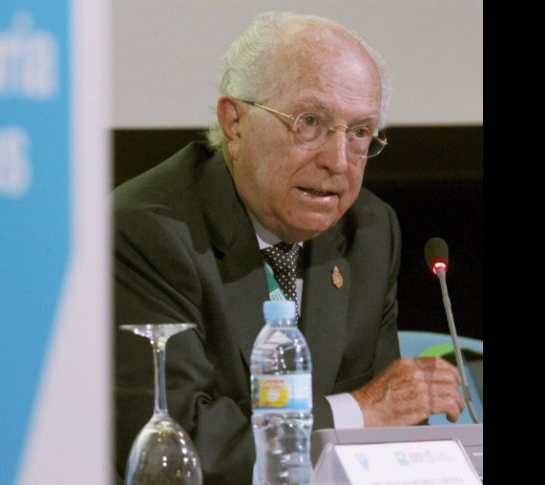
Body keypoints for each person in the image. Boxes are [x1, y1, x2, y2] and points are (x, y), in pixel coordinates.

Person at [112, 11, 465, 484]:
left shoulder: (369, 230)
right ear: (234, 123)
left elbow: (387, 437)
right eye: (310, 123)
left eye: (359, 132)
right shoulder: (146, 231)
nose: (338, 163)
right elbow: (180, 447)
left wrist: (377, 414)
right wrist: (360, 410)